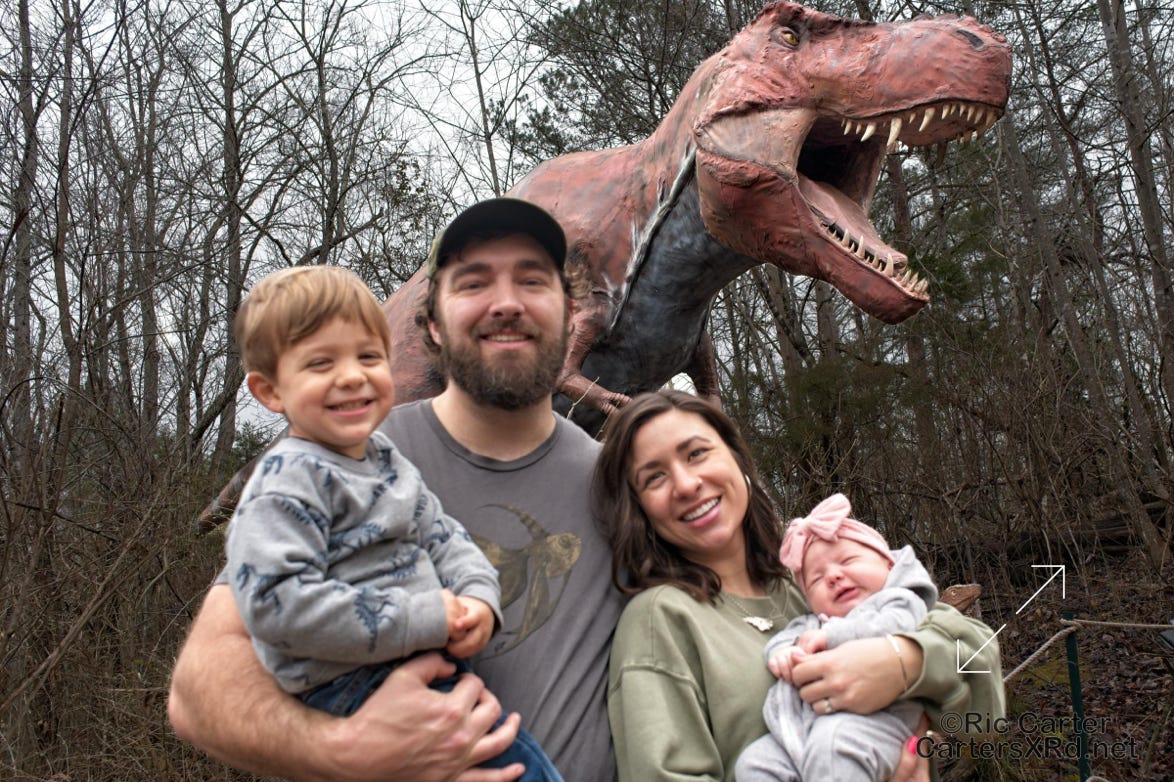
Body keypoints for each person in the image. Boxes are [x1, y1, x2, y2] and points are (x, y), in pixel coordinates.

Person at [168, 198, 625, 782]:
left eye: (532, 280)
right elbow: (199, 690)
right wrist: (344, 750)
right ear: (432, 322)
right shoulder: (340, 458)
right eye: (474, 282)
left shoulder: (624, 482)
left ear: (570, 313)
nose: (507, 303)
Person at [222, 265, 561, 781]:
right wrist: (422, 617)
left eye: (367, 356)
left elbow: (443, 537)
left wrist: (477, 598)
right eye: (320, 363)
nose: (351, 376)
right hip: (349, 688)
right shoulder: (286, 481)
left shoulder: (384, 459)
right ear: (270, 391)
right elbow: (276, 604)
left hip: (427, 669)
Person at [591, 390, 1005, 782]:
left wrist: (904, 663)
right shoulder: (659, 621)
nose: (685, 484)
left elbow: (985, 700)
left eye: (697, 453)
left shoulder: (812, 578)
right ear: (638, 508)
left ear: (736, 458)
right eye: (654, 477)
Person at [735, 493, 938, 781]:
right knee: (753, 763)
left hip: (875, 725)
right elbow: (784, 639)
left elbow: (897, 625)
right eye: (817, 578)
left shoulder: (898, 601)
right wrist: (785, 653)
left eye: (848, 560)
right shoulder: (813, 623)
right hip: (800, 731)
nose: (833, 576)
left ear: (888, 563)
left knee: (833, 746)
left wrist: (832, 635)